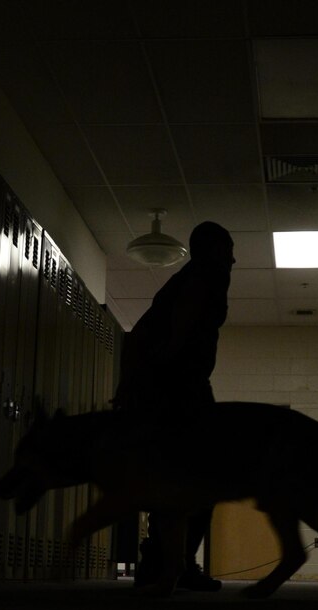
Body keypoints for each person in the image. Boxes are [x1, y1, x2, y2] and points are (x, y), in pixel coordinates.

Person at [112, 221, 235, 591]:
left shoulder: (186, 281)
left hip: (176, 387)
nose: (234, 259)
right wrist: (167, 364)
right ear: (212, 251)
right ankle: (173, 564)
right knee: (199, 477)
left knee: (175, 477)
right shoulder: (200, 281)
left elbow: (140, 338)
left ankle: (165, 562)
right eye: (228, 250)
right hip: (180, 389)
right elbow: (178, 327)